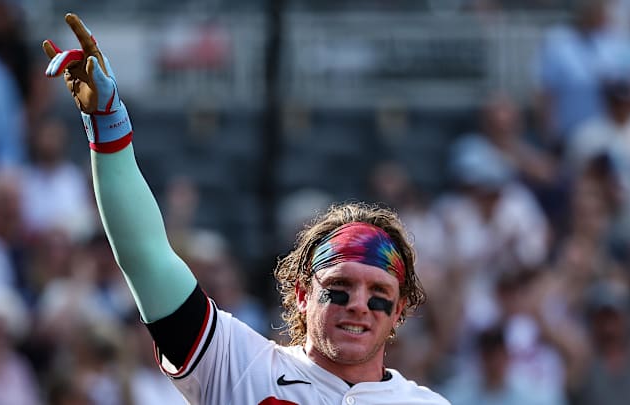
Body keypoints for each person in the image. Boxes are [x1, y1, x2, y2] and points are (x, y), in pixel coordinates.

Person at [42, 13, 450, 405]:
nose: (359, 303)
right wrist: (107, 123)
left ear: (399, 311)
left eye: (379, 292)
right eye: (340, 286)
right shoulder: (235, 363)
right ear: (303, 294)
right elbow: (145, 258)